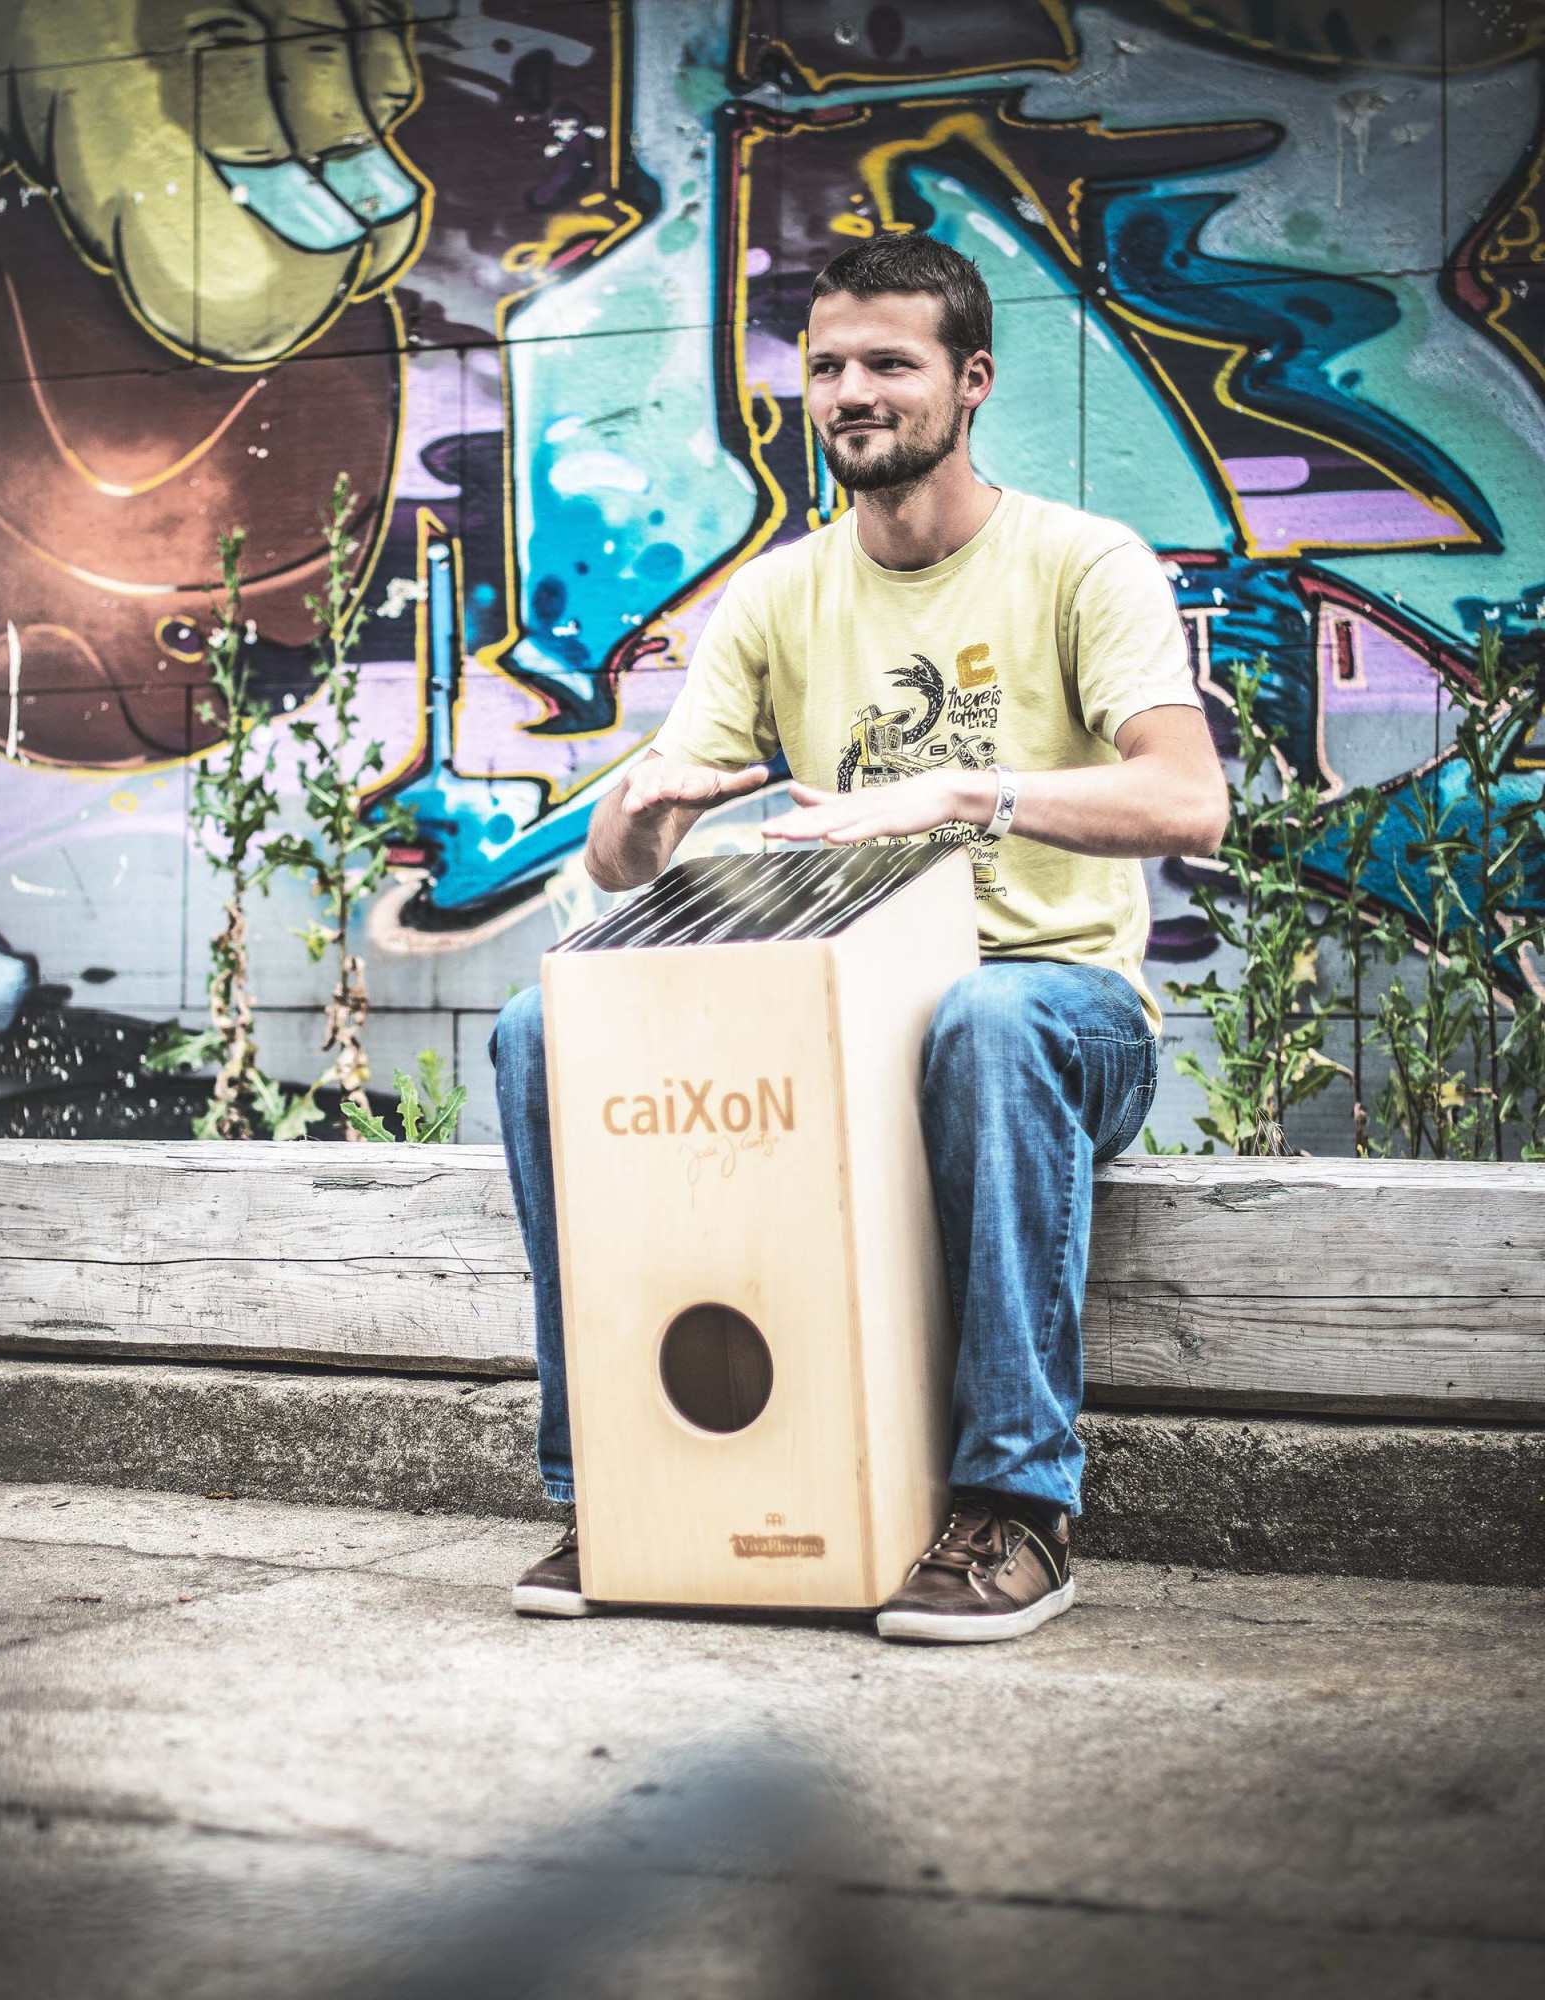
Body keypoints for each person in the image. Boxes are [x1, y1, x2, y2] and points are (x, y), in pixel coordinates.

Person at [490, 231, 1229, 1644]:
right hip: (833, 1016)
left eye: (890, 362)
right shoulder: (776, 595)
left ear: (972, 382)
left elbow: (1190, 797)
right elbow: (626, 862)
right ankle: (618, 1490)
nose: (850, 391)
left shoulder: (1083, 564)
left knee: (988, 1021)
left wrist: (969, 792)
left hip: (1055, 1011)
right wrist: (641, 815)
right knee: (540, 1029)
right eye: (827, 365)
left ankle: (1017, 1510)